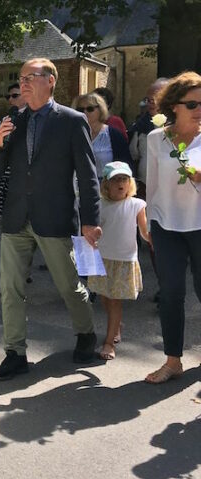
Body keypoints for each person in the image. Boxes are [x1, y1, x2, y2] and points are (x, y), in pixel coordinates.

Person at [0, 58, 102, 380]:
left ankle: (86, 333)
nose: (23, 83)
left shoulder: (72, 120)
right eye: (21, 78)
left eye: (30, 77)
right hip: (15, 218)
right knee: (9, 288)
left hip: (54, 217)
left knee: (68, 285)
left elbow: (88, 176)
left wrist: (90, 221)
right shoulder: (13, 120)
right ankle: (15, 352)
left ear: (51, 80)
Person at [144, 71, 201, 384]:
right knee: (171, 294)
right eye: (193, 104)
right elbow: (152, 184)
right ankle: (173, 361)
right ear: (174, 106)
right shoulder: (157, 138)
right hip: (166, 224)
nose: (199, 110)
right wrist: (150, 222)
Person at [86, 162, 149, 360]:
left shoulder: (136, 205)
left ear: (130, 183)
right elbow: (92, 230)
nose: (120, 183)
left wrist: (154, 240)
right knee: (105, 296)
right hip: (103, 259)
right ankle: (117, 325)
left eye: (124, 179)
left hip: (124, 260)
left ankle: (108, 343)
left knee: (114, 301)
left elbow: (145, 231)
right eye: (115, 180)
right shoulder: (101, 204)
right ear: (106, 184)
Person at [129, 78, 169, 303]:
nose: (151, 102)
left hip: (181, 194)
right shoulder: (140, 127)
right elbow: (134, 155)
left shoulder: (185, 124)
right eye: (148, 98)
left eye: (156, 97)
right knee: (155, 238)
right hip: (147, 188)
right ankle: (166, 286)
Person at [72, 92, 133, 178]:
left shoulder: (114, 135)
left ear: (101, 110)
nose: (85, 112)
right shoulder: (72, 135)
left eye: (90, 109)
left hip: (107, 186)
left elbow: (126, 165)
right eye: (80, 110)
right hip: (79, 186)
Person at [0, 83, 26, 219]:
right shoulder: (5, 120)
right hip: (7, 169)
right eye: (8, 97)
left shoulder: (34, 117)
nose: (10, 99)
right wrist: (0, 140)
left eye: (15, 95)